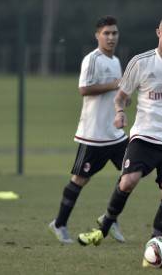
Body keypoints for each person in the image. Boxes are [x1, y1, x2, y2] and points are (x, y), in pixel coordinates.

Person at [76, 14, 162, 259]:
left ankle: (155, 244)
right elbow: (121, 96)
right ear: (158, 32)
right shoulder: (140, 62)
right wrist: (120, 112)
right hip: (144, 136)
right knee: (127, 181)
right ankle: (103, 229)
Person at [48, 15, 128, 244]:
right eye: (106, 33)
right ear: (98, 36)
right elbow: (84, 89)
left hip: (115, 134)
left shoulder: (115, 61)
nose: (111, 37)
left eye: (114, 33)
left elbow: (117, 93)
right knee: (80, 179)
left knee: (131, 174)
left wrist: (122, 100)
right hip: (93, 135)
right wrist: (114, 85)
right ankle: (60, 223)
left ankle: (109, 219)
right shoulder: (92, 59)